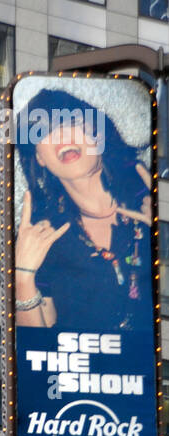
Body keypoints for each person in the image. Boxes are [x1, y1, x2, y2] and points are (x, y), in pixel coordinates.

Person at [13, 88, 152, 332]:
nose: (62, 137)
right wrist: (24, 276)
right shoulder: (43, 234)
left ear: (98, 133)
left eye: (72, 123)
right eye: (45, 133)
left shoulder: (148, 191)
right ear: (40, 158)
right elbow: (37, 350)